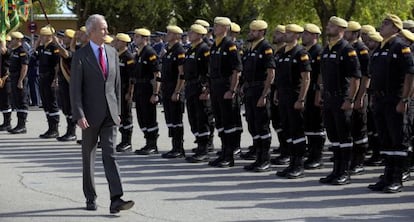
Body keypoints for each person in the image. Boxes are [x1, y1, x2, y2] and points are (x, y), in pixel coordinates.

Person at [70, 14, 134, 213]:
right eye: (102, 29)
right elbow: (75, 89)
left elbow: (116, 85)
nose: (106, 32)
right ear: (91, 32)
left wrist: (118, 112)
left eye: (106, 28)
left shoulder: (112, 52)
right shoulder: (81, 55)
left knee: (110, 154)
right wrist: (79, 114)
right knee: (88, 157)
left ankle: (116, 198)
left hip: (110, 115)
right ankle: (90, 197)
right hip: (89, 116)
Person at [368, 14, 414, 193]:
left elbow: (410, 75)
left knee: (398, 140)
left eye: (386, 24)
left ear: (396, 28)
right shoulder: (380, 47)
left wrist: (404, 99)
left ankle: (396, 178)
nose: (382, 26)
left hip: (395, 99)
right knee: (385, 139)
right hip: (380, 99)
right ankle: (386, 176)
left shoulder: (400, 46)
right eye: (382, 22)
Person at [317, 16, 361, 185]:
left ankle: (344, 171)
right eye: (328, 25)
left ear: (341, 29)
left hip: (342, 97)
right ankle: (336, 170)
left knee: (344, 136)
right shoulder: (327, 49)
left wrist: (350, 99)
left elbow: (356, 77)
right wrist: (321, 93)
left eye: (331, 26)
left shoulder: (347, 49)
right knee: (333, 136)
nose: (328, 27)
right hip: (329, 98)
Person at [274, 24, 311, 179]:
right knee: (287, 129)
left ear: (297, 36)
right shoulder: (282, 52)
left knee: (297, 131)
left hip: (294, 96)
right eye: (286, 32)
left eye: (289, 33)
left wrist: (301, 99)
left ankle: (298, 164)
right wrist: (276, 92)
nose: (286, 35)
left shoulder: (301, 53)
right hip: (283, 95)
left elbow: (306, 78)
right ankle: (291, 162)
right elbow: (279, 77)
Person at [207, 17, 242, 168]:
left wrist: (232, 90)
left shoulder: (230, 45)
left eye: (218, 26)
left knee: (228, 122)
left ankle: (229, 155)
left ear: (226, 28)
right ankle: (223, 152)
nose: (214, 28)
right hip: (215, 86)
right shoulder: (215, 45)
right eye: (214, 25)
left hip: (225, 86)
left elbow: (236, 70)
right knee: (220, 122)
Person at [241, 20, 275, 172]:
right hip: (249, 90)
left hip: (260, 90)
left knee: (262, 125)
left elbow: (271, 73)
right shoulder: (250, 48)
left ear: (262, 32)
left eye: (254, 31)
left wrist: (265, 94)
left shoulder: (266, 48)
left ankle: (265, 159)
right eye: (251, 30)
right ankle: (258, 157)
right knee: (252, 124)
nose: (251, 33)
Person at [344, 21, 371, 175]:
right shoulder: (347, 48)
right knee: (350, 128)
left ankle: (359, 161)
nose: (345, 34)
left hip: (359, 94)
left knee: (359, 129)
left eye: (348, 32)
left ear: (355, 34)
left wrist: (360, 96)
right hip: (349, 94)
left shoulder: (362, 50)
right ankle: (351, 159)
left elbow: (366, 75)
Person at [184, 24, 213, 163]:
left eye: (192, 32)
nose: (189, 34)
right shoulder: (191, 49)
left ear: (200, 35)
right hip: (190, 86)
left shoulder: (204, 49)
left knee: (202, 118)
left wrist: (206, 89)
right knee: (193, 117)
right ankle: (200, 144)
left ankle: (204, 148)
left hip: (199, 86)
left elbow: (207, 71)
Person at [132, 28, 162, 155]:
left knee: (149, 117)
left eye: (137, 36)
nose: (134, 38)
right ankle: (147, 142)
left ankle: (152, 144)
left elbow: (157, 74)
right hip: (139, 88)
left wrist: (155, 94)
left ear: (145, 38)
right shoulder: (139, 52)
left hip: (147, 88)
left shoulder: (150, 52)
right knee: (141, 117)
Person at [160, 25, 187, 159]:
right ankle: (174, 146)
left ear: (177, 36)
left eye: (170, 33)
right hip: (167, 88)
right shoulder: (169, 50)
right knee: (170, 119)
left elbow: (181, 74)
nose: (167, 35)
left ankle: (179, 148)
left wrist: (177, 91)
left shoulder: (179, 50)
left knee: (176, 120)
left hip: (174, 89)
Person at [301, 23, 326, 170]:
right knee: (309, 124)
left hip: (315, 92)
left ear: (315, 36)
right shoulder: (305, 51)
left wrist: (319, 92)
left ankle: (318, 156)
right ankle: (311, 154)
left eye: (307, 33)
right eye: (303, 33)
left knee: (317, 125)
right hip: (307, 92)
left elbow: (321, 74)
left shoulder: (319, 51)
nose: (303, 35)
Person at [34, 25, 60, 139]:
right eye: (42, 35)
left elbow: (57, 65)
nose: (43, 37)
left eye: (45, 35)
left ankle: (55, 129)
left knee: (52, 103)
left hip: (50, 77)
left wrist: (56, 79)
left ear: (50, 36)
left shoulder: (54, 47)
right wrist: (38, 41)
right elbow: (34, 53)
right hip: (42, 77)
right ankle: (50, 128)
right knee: (45, 103)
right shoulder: (41, 48)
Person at [54, 29, 77, 142]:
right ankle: (69, 131)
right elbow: (59, 65)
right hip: (63, 80)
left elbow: (67, 55)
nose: (64, 39)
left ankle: (72, 132)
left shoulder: (73, 49)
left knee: (70, 107)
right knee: (65, 107)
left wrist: (57, 43)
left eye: (66, 37)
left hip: (70, 82)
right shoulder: (64, 48)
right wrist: (56, 79)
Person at [113, 33, 135, 152]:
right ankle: (123, 140)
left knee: (126, 115)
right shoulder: (117, 55)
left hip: (125, 89)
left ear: (123, 42)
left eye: (117, 41)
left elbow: (132, 77)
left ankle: (127, 141)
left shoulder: (128, 57)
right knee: (120, 115)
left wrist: (130, 92)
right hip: (117, 90)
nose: (115, 42)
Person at [7, 32, 29, 134]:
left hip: (20, 78)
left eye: (13, 39)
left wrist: (20, 80)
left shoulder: (22, 51)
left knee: (21, 101)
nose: (11, 41)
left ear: (18, 40)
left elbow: (24, 67)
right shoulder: (13, 51)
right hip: (13, 77)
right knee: (16, 101)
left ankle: (22, 126)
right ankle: (19, 125)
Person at [0, 38, 11, 131]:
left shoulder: (8, 51)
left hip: (5, 79)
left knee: (5, 101)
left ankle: (7, 123)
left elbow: (5, 52)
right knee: (2, 102)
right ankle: (5, 122)